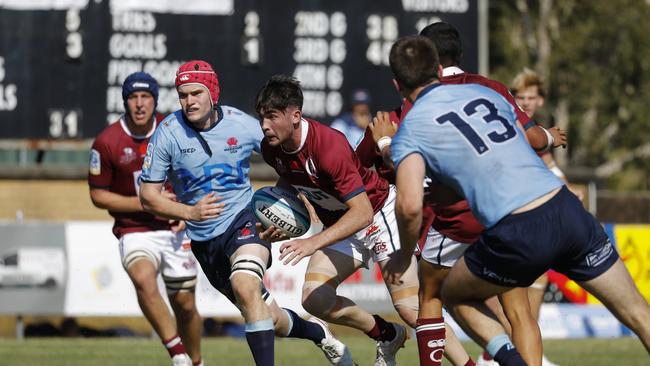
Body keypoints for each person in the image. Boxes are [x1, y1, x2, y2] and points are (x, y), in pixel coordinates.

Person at [388, 35, 650, 366]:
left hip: (518, 228)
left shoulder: (411, 127)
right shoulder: (484, 93)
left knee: (451, 293)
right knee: (639, 312)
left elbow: (409, 206)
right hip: (565, 209)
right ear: (437, 69)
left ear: (397, 83)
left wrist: (401, 254)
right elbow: (514, 148)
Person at [356, 21, 572, 366]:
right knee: (518, 311)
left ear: (426, 60)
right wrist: (548, 135)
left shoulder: (425, 96)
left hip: (456, 215)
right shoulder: (492, 87)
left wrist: (384, 143)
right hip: (505, 210)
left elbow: (409, 164)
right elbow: (530, 138)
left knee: (431, 294)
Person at [138, 60, 350, 366]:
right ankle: (318, 333)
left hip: (244, 220)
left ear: (212, 92)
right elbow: (147, 195)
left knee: (245, 284)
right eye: (182, 95)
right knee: (270, 317)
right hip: (204, 242)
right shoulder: (168, 133)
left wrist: (302, 193)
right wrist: (188, 211)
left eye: (196, 93)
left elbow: (289, 152)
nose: (189, 101)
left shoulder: (242, 125)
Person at [255, 74, 420, 366]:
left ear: (295, 115)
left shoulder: (328, 146)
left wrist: (312, 242)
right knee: (314, 299)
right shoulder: (272, 148)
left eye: (271, 117)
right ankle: (387, 335)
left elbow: (363, 212)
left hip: (378, 213)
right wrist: (277, 216)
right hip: (343, 223)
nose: (265, 125)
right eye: (262, 117)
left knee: (411, 310)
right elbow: (289, 176)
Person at [88, 72, 203, 366]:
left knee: (186, 305)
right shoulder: (107, 141)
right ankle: (178, 355)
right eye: (133, 97)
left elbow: (198, 173)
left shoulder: (176, 130)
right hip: (135, 228)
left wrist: (182, 210)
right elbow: (98, 195)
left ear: (155, 100)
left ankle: (196, 361)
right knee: (143, 279)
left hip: (176, 227)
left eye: (146, 97)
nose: (140, 104)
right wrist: (147, 203)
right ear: (125, 101)